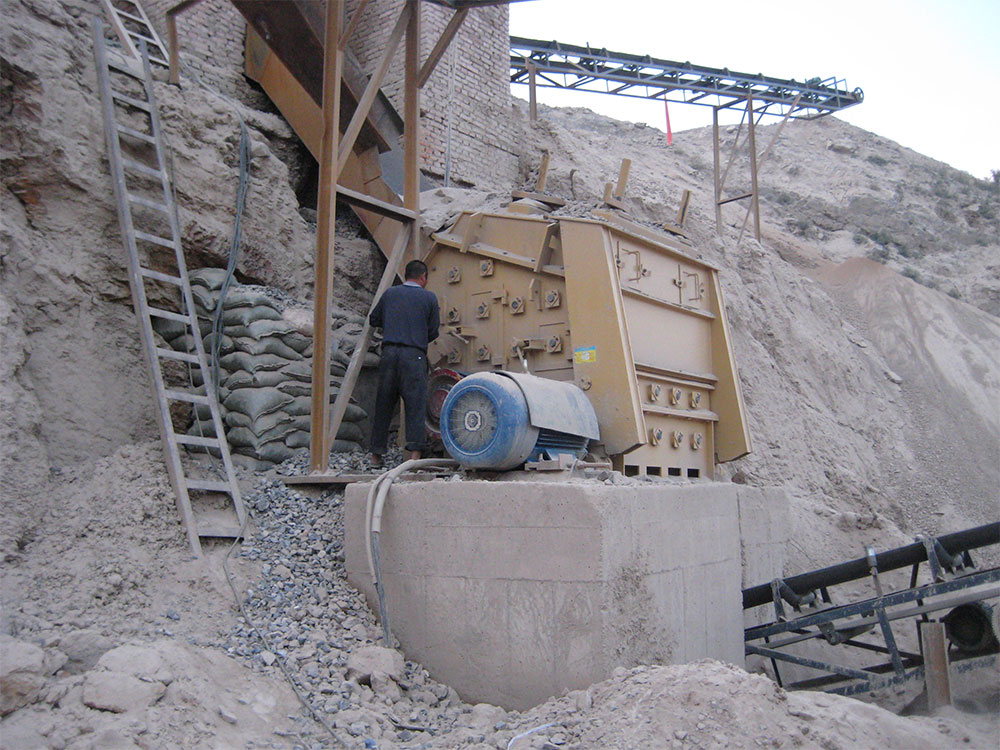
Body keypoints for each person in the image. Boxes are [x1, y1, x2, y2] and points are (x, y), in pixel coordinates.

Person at [368, 259, 440, 467]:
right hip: (414, 355)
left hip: (389, 354)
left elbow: (374, 319)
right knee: (415, 404)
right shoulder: (429, 298)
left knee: (384, 403)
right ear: (423, 277)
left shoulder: (390, 294)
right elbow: (433, 331)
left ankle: (375, 456)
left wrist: (393, 325)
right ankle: (414, 456)